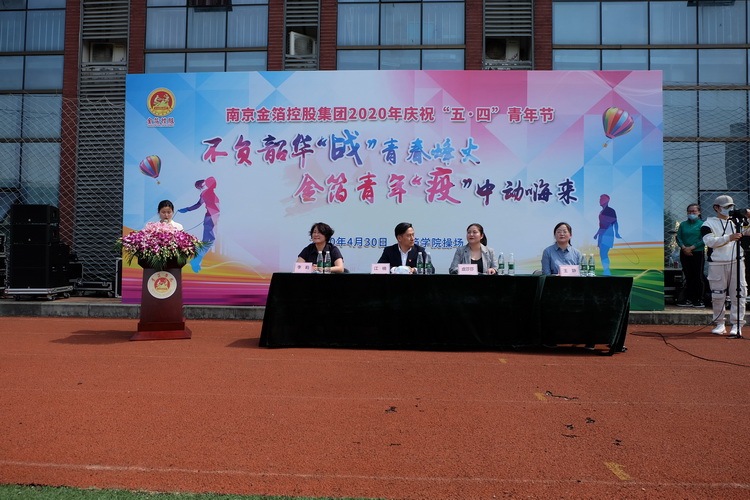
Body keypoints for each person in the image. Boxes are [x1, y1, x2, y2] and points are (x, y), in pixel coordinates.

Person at [701, 195, 750, 337]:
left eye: (731, 206)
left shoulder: (737, 221)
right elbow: (710, 242)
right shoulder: (708, 224)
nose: (730, 209)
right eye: (726, 207)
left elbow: (748, 231)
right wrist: (729, 237)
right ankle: (720, 324)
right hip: (717, 263)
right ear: (716, 208)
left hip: (736, 261)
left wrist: (748, 215)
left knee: (739, 293)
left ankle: (737, 324)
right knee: (717, 295)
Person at [178, 177, 220, 273]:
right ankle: (195, 261)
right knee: (208, 242)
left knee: (208, 241)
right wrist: (187, 209)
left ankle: (196, 261)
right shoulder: (207, 193)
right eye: (213, 182)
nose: (215, 184)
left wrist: (187, 209)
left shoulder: (208, 193)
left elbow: (199, 205)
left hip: (212, 219)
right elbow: (198, 205)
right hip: (211, 219)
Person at [675, 204, 707, 308]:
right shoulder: (683, 224)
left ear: (699, 212)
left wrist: (692, 247)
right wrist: (684, 247)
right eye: (689, 211)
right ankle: (688, 298)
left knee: (698, 276)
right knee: (688, 275)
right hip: (684, 252)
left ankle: (698, 299)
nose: (691, 213)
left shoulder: (703, 224)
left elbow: (704, 239)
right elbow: (678, 237)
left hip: (697, 252)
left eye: (694, 211)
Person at [593, 194, 621, 275]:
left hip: (608, 234)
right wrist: (597, 234)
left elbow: (615, 222)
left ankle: (607, 270)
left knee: (604, 252)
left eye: (601, 199)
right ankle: (606, 270)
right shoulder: (601, 212)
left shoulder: (610, 211)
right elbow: (602, 225)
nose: (600, 201)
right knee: (602, 253)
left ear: (606, 201)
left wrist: (617, 233)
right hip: (602, 234)